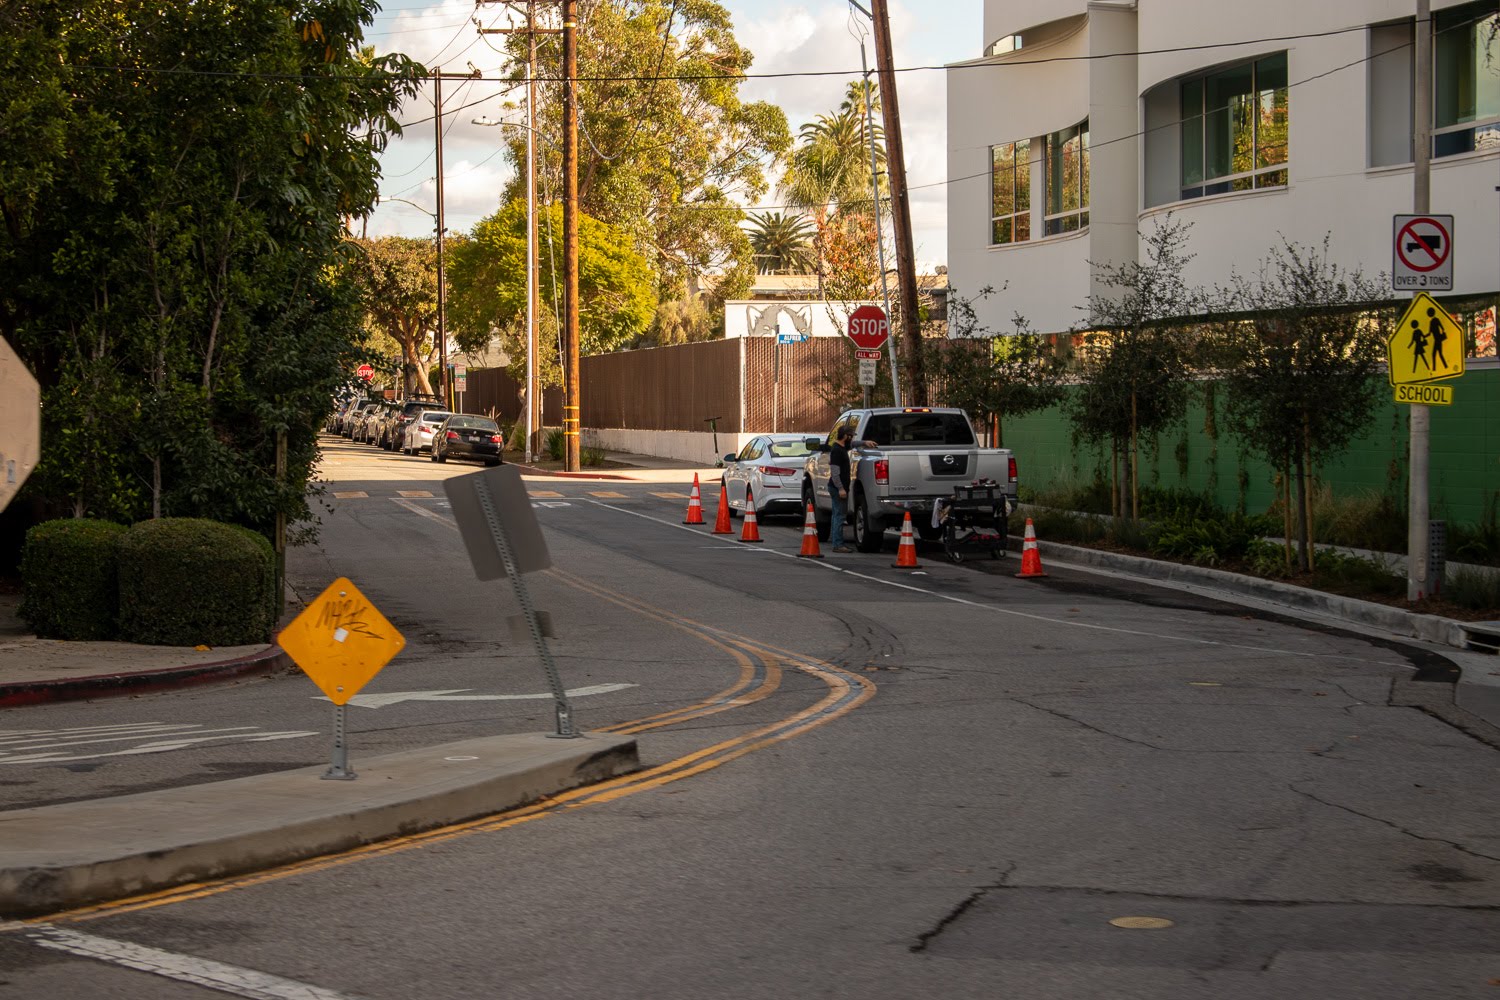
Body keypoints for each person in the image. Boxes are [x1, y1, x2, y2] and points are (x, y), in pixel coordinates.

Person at [828, 425, 875, 553]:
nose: (852, 438)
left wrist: (865, 442)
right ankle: (838, 544)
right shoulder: (837, 450)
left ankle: (836, 541)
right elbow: (835, 472)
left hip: (838, 487)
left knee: (836, 514)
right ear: (845, 436)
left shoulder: (842, 446)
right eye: (850, 436)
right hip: (838, 488)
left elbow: (853, 444)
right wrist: (841, 489)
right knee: (839, 515)